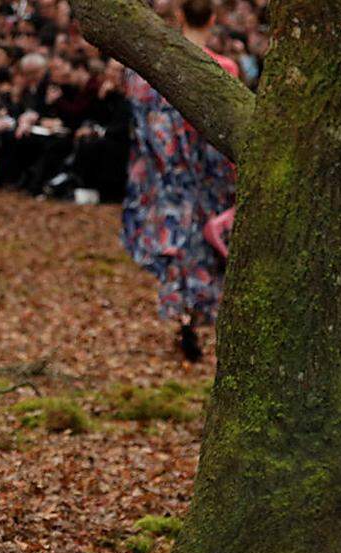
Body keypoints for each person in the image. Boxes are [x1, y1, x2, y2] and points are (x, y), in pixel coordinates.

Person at [119, 0, 239, 361]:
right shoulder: (225, 67)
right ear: (214, 20)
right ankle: (200, 313)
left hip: (172, 171)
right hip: (209, 171)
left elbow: (143, 112)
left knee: (177, 241)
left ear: (181, 17)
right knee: (203, 243)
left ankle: (182, 314)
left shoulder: (163, 67)